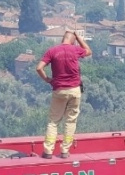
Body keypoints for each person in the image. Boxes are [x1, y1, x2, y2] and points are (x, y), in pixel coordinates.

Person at [36, 30, 92, 159]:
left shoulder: (52, 51)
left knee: (53, 121)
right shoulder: (75, 49)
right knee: (70, 121)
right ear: (73, 40)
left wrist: (47, 80)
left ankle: (48, 151)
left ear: (63, 38)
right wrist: (79, 38)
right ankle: (65, 151)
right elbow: (88, 51)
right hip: (75, 90)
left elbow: (39, 68)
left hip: (59, 90)